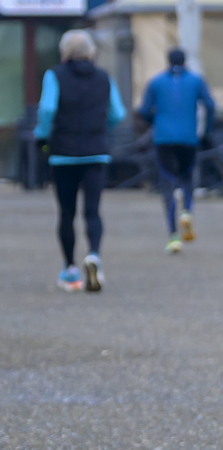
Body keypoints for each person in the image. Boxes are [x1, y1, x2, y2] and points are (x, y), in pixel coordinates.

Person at [34, 29, 126, 293]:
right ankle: (94, 255)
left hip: (64, 153)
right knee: (93, 211)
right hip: (96, 152)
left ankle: (70, 269)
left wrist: (43, 136)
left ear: (64, 52)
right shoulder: (104, 77)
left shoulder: (54, 75)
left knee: (67, 212)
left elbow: (47, 108)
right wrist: (101, 129)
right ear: (91, 51)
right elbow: (118, 113)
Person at [138, 47, 216, 253]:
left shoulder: (156, 82)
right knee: (187, 177)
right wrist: (206, 130)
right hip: (189, 137)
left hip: (163, 138)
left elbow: (144, 110)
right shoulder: (196, 80)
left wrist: (156, 121)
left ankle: (173, 236)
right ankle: (187, 211)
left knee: (168, 182)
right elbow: (210, 105)